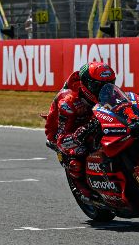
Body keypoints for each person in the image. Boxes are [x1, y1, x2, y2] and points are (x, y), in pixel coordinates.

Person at [44, 60, 117, 200]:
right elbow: (61, 140)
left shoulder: (106, 93)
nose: (106, 90)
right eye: (99, 86)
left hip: (93, 120)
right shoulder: (69, 102)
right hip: (63, 131)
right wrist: (80, 133)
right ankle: (83, 189)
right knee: (79, 153)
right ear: (87, 85)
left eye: (110, 84)